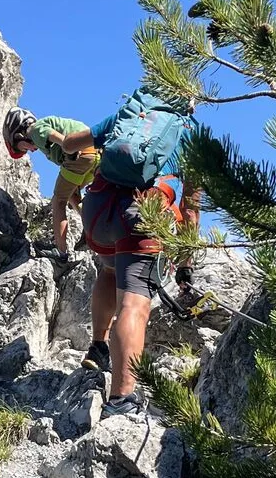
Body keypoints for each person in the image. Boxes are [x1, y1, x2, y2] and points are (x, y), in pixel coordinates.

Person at [58, 93, 200, 416]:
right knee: (134, 305)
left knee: (109, 270)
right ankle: (121, 398)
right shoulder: (191, 135)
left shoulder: (135, 112)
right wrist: (185, 264)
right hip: (141, 213)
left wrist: (64, 149)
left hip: (97, 211)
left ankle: (98, 345)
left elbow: (71, 143)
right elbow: (190, 209)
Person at [2, 107, 98, 263]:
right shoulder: (43, 126)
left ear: (19, 134)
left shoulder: (34, 130)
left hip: (80, 155)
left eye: (22, 148)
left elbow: (51, 135)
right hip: (94, 154)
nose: (29, 152)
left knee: (59, 200)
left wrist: (69, 147)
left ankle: (61, 252)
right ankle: (93, 229)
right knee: (72, 195)